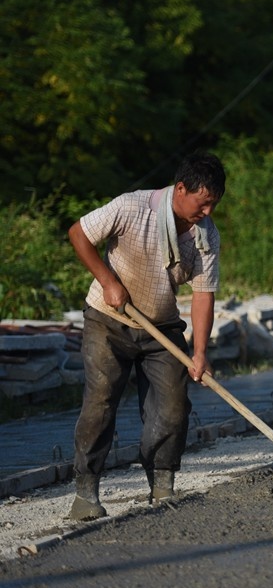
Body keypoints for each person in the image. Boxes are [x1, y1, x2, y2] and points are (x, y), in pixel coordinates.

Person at [66, 153, 226, 520]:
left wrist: (200, 352)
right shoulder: (132, 207)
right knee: (101, 402)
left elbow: (203, 294)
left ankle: (162, 487)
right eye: (202, 203)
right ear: (181, 189)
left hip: (162, 330)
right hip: (108, 321)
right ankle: (86, 493)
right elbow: (79, 233)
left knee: (171, 407)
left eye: (213, 205)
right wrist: (108, 281)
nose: (206, 212)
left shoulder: (206, 235)